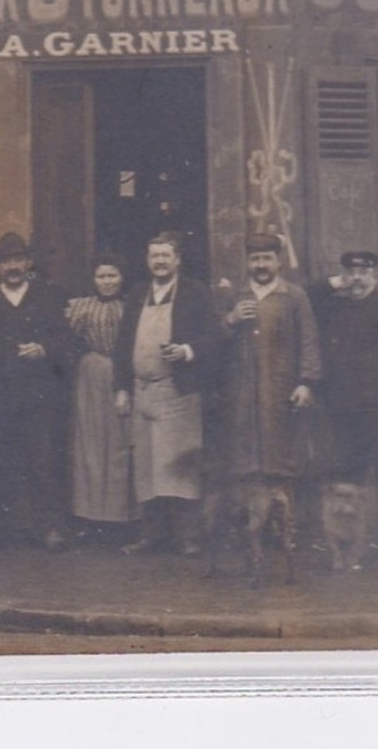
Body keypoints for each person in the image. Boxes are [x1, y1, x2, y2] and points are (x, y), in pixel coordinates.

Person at [113, 231, 223, 556]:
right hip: (142, 391)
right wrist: (120, 388)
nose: (159, 262)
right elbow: (122, 346)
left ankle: (189, 537)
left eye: (165, 256)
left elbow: (215, 337)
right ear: (147, 261)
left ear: (177, 259)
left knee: (180, 465)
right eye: (154, 256)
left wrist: (188, 351)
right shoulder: (136, 295)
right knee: (146, 466)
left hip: (178, 391)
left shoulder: (195, 293)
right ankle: (151, 536)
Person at [0, 232, 72, 551]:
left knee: (43, 461)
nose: (12, 267)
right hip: (0, 396)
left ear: (27, 263)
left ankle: (49, 527)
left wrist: (44, 349)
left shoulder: (49, 297)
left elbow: (68, 340)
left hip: (40, 395)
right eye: (5, 262)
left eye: (18, 260)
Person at [308, 250, 378, 556]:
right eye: (350, 272)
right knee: (346, 467)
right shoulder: (334, 306)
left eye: (363, 272)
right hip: (343, 405)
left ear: (374, 275)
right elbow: (304, 298)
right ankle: (350, 533)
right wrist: (331, 284)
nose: (356, 278)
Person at [218, 232, 321, 491]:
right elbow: (214, 340)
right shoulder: (235, 296)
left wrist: (306, 383)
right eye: (255, 259)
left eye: (267, 258)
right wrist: (231, 319)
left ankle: (285, 524)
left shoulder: (294, 296)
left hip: (282, 390)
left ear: (278, 262)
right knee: (245, 460)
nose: (261, 265)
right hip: (243, 393)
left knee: (283, 458)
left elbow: (309, 341)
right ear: (247, 263)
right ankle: (251, 524)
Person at [64, 253, 137, 539]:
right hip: (91, 377)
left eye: (112, 276)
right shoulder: (81, 307)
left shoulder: (132, 305)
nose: (107, 282)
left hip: (124, 373)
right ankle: (90, 517)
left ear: (122, 277)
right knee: (91, 445)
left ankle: (124, 517)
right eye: (101, 276)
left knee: (122, 442)